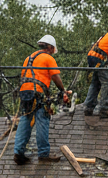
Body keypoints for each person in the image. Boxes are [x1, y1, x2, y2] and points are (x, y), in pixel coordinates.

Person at [14, 35, 71, 165]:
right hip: (37, 92)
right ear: (50, 47)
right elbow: (56, 77)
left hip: (25, 92)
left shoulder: (28, 58)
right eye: (52, 50)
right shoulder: (48, 58)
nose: (52, 52)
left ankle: (18, 152)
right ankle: (44, 154)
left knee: (25, 120)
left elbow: (25, 76)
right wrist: (63, 91)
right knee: (42, 120)